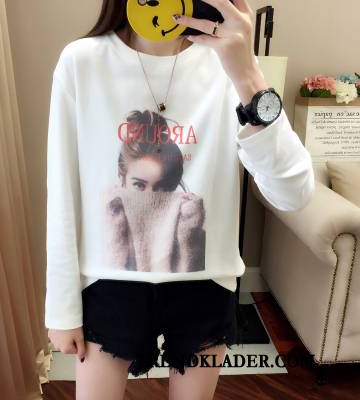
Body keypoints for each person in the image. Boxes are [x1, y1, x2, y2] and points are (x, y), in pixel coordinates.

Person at [45, 1, 315, 399]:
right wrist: (62, 308)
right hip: (109, 285)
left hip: (205, 287)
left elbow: (294, 194)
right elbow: (63, 192)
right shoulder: (82, 62)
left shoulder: (230, 64)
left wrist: (248, 75)